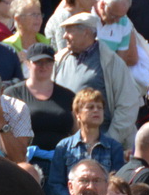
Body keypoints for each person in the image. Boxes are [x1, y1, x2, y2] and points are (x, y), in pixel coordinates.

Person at [52, 13, 141, 146]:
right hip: (65, 144)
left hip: (101, 143)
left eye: (70, 31)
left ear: (86, 33)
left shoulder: (111, 62)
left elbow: (128, 105)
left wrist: (110, 140)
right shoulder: (59, 59)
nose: (64, 36)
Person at [6, 43, 75, 153]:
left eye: (48, 62)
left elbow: (77, 132)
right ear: (27, 64)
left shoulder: (68, 96)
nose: (43, 66)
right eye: (38, 62)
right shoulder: (13, 94)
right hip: (26, 158)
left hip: (62, 158)